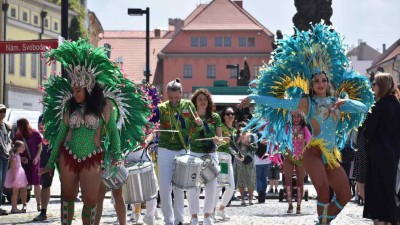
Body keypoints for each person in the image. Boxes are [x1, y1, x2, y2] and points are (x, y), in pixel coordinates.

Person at [239, 23, 373, 224]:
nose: (320, 83)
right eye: (317, 81)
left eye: (323, 80)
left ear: (328, 82)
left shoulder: (337, 103)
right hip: (313, 152)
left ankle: (323, 221)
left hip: (331, 155)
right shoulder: (306, 102)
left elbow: (364, 107)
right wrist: (253, 97)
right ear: (312, 84)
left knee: (345, 195)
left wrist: (348, 102)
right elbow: (279, 102)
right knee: (324, 194)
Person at [40, 39, 151, 225]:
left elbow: (113, 133)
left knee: (90, 200)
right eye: (73, 90)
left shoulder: (105, 107)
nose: (75, 93)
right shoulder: (69, 107)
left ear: (88, 89)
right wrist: (51, 162)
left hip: (93, 157)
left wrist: (116, 156)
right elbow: (61, 134)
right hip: (68, 156)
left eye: (78, 90)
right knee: (67, 197)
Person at [150, 78, 200, 225]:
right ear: (166, 94)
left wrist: (199, 124)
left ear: (181, 93)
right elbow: (151, 125)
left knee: (179, 186)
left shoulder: (188, 105)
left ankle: (179, 219)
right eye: (171, 97)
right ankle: (168, 220)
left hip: (183, 148)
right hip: (165, 148)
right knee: (164, 187)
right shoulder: (162, 107)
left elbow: (197, 126)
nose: (174, 100)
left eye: (177, 97)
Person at [363, 73, 400, 225]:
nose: (373, 87)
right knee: (390, 189)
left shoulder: (377, 106)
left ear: (382, 86)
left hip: (378, 153)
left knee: (377, 189)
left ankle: (380, 221)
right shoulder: (397, 105)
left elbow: (368, 133)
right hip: (394, 154)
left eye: (374, 84)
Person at [187, 89, 222, 225]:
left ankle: (207, 216)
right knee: (193, 187)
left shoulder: (215, 117)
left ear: (208, 102)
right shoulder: (190, 118)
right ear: (195, 102)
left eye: (205, 99)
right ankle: (194, 216)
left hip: (211, 153)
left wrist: (217, 140)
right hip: (194, 153)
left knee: (211, 186)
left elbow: (220, 137)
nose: (203, 102)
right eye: (200, 99)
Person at [282, 111, 311, 214]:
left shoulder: (304, 129)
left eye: (299, 116)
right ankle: (290, 205)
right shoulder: (286, 128)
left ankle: (299, 206)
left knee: (300, 182)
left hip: (300, 159)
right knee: (288, 181)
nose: (296, 118)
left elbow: (310, 142)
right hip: (288, 157)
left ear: (302, 117)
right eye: (294, 116)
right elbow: (280, 140)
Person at [14, 118, 42, 212]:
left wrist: (37, 157)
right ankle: (24, 205)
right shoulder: (17, 136)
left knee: (37, 183)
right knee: (24, 184)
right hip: (23, 163)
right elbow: (15, 150)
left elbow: (40, 148)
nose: (20, 128)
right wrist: (21, 158)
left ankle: (39, 204)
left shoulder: (35, 134)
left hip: (34, 162)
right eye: (18, 126)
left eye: (21, 126)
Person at [213, 107, 237, 220]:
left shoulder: (234, 130)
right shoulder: (220, 127)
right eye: (228, 114)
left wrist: (239, 155)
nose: (231, 115)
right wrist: (223, 140)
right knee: (218, 186)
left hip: (228, 158)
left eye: (232, 113)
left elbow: (232, 147)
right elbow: (216, 142)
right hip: (220, 157)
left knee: (231, 187)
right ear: (224, 116)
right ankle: (212, 211)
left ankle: (221, 209)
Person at [33, 115, 54, 221]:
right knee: (45, 182)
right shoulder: (42, 116)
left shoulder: (63, 113)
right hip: (46, 149)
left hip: (62, 147)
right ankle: (43, 212)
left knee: (66, 181)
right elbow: (41, 129)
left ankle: (67, 210)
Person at [233, 122, 256, 206]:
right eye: (240, 127)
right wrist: (239, 141)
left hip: (249, 159)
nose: (242, 129)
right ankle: (242, 199)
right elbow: (233, 147)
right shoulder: (236, 136)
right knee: (240, 179)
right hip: (239, 159)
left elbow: (255, 148)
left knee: (250, 179)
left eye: (244, 127)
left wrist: (248, 144)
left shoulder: (251, 137)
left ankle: (250, 199)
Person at [4, 140, 28, 213]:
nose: (24, 148)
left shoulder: (17, 155)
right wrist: (14, 177)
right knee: (15, 193)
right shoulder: (14, 156)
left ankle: (15, 207)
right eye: (22, 147)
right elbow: (12, 167)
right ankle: (13, 208)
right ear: (17, 148)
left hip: (19, 173)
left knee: (16, 192)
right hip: (16, 174)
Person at [254, 125, 271, 204]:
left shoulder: (255, 136)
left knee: (258, 177)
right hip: (267, 160)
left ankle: (260, 191)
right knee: (264, 177)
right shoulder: (269, 135)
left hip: (257, 160)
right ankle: (263, 192)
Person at [0, 104, 11, 216]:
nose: (2, 113)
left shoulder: (5, 125)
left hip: (5, 156)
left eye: (4, 111)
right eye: (1, 111)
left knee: (2, 184)